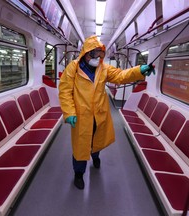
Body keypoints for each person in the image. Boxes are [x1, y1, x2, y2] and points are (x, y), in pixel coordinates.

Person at [58, 35, 155, 190]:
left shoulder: (103, 68)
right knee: (81, 145)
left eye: (100, 54)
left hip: (99, 113)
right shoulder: (73, 68)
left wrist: (139, 70)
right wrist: (69, 112)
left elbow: (120, 76)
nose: (98, 57)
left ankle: (96, 156)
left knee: (97, 139)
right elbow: (65, 92)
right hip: (81, 116)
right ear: (86, 53)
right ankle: (78, 174)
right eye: (95, 53)